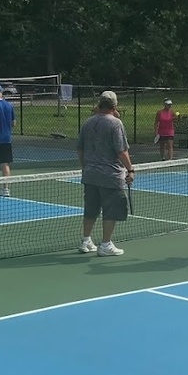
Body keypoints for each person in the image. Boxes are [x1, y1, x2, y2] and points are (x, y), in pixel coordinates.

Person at [77, 90, 135, 256]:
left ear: (99, 104)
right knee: (111, 211)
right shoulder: (115, 124)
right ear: (115, 105)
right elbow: (121, 151)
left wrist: (86, 166)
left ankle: (86, 240)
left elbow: (80, 149)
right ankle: (105, 245)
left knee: (91, 209)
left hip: (90, 174)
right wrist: (130, 170)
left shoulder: (87, 123)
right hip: (110, 176)